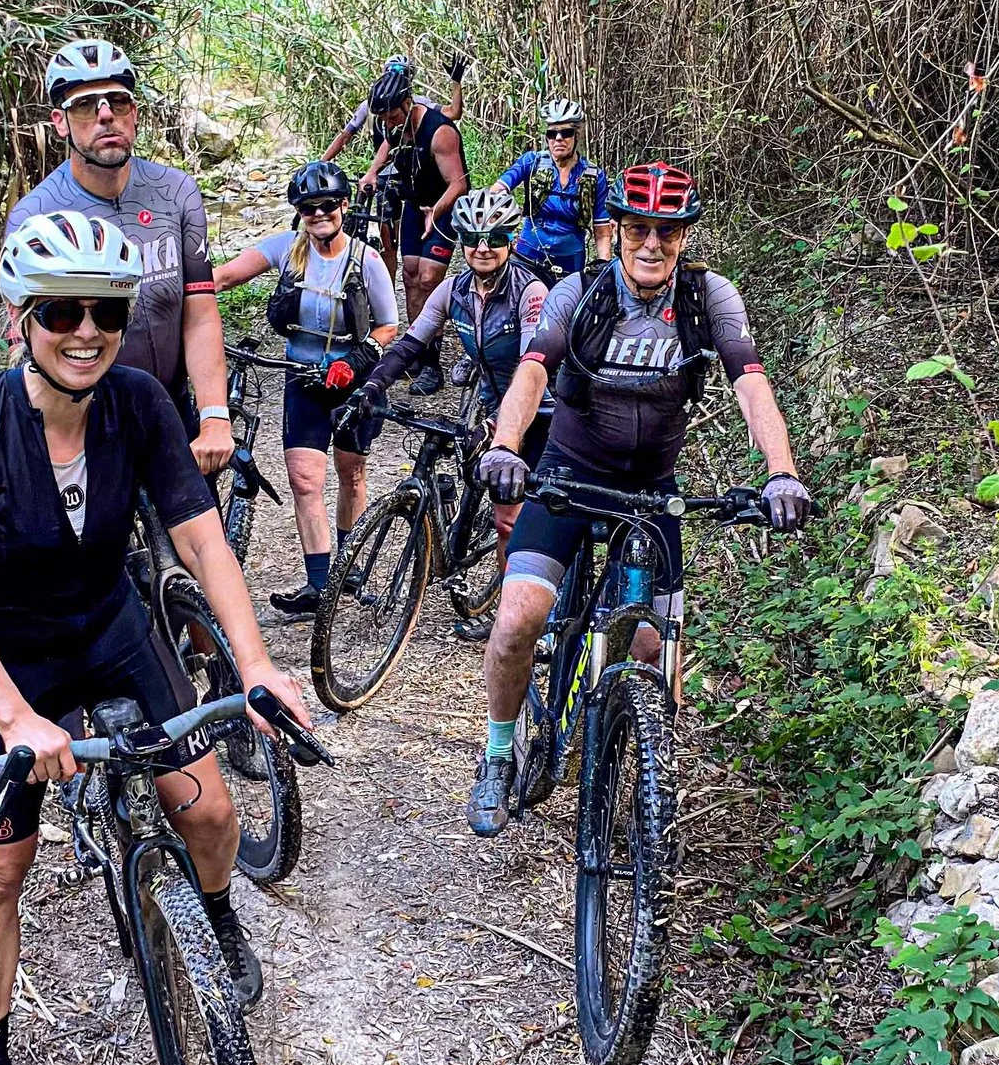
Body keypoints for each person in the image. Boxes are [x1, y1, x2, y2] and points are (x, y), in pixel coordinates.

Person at [0, 210, 313, 1065]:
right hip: (8, 657)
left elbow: (201, 538)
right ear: (20, 317)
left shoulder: (137, 403)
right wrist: (14, 717)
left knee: (211, 810)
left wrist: (255, 665)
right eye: (61, 312)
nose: (85, 330)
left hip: (109, 628)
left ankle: (212, 922)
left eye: (104, 310)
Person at [463, 164, 814, 835]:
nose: (651, 245)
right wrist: (507, 444)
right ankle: (499, 754)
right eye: (638, 230)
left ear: (684, 238)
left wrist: (781, 473)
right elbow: (534, 368)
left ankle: (649, 774)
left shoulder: (709, 298)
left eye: (667, 232)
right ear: (619, 231)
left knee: (654, 650)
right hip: (569, 474)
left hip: (653, 492)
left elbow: (750, 383)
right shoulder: (580, 293)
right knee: (515, 620)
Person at [6, 39, 236, 484]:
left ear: (134, 113)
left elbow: (200, 313)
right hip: (84, 419)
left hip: (172, 409)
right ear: (59, 122)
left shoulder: (177, 193)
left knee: (197, 546)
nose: (106, 114)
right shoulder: (36, 215)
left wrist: (214, 417)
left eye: (118, 101)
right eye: (86, 105)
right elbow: (24, 339)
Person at [344, 188, 549, 642]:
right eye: (473, 237)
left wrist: (503, 427)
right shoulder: (453, 289)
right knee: (471, 462)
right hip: (490, 398)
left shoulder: (529, 291)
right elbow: (412, 342)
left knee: (508, 519)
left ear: (510, 240)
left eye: (494, 236)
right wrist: (374, 384)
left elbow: (533, 364)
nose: (482, 246)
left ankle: (511, 623)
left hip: (538, 407)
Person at [212, 161, 402, 618]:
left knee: (351, 472)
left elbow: (389, 325)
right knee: (303, 479)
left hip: (352, 379)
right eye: (308, 208)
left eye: (327, 206)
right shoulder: (288, 250)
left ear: (343, 206)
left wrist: (356, 362)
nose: (319, 215)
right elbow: (225, 277)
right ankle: (320, 583)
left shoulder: (366, 260)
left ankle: (349, 570)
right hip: (302, 377)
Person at [356, 65, 468, 396]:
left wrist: (437, 211)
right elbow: (386, 148)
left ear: (407, 102)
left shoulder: (439, 131)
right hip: (414, 206)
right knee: (409, 275)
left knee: (429, 278)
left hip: (442, 206)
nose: (387, 123)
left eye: (391, 115)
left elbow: (458, 183)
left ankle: (432, 363)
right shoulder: (393, 126)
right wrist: (372, 173)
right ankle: (417, 349)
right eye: (384, 118)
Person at [497, 100, 613, 284]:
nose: (558, 138)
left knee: (565, 309)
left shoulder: (594, 175)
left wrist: (604, 267)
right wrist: (504, 229)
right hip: (528, 253)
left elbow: (602, 230)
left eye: (566, 133)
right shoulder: (531, 162)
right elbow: (499, 189)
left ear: (577, 135)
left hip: (570, 259)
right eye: (552, 133)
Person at [319, 53, 466, 163]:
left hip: (411, 164)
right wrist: (321, 163)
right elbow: (345, 136)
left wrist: (456, 82)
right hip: (383, 165)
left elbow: (453, 113)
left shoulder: (420, 103)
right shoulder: (369, 105)